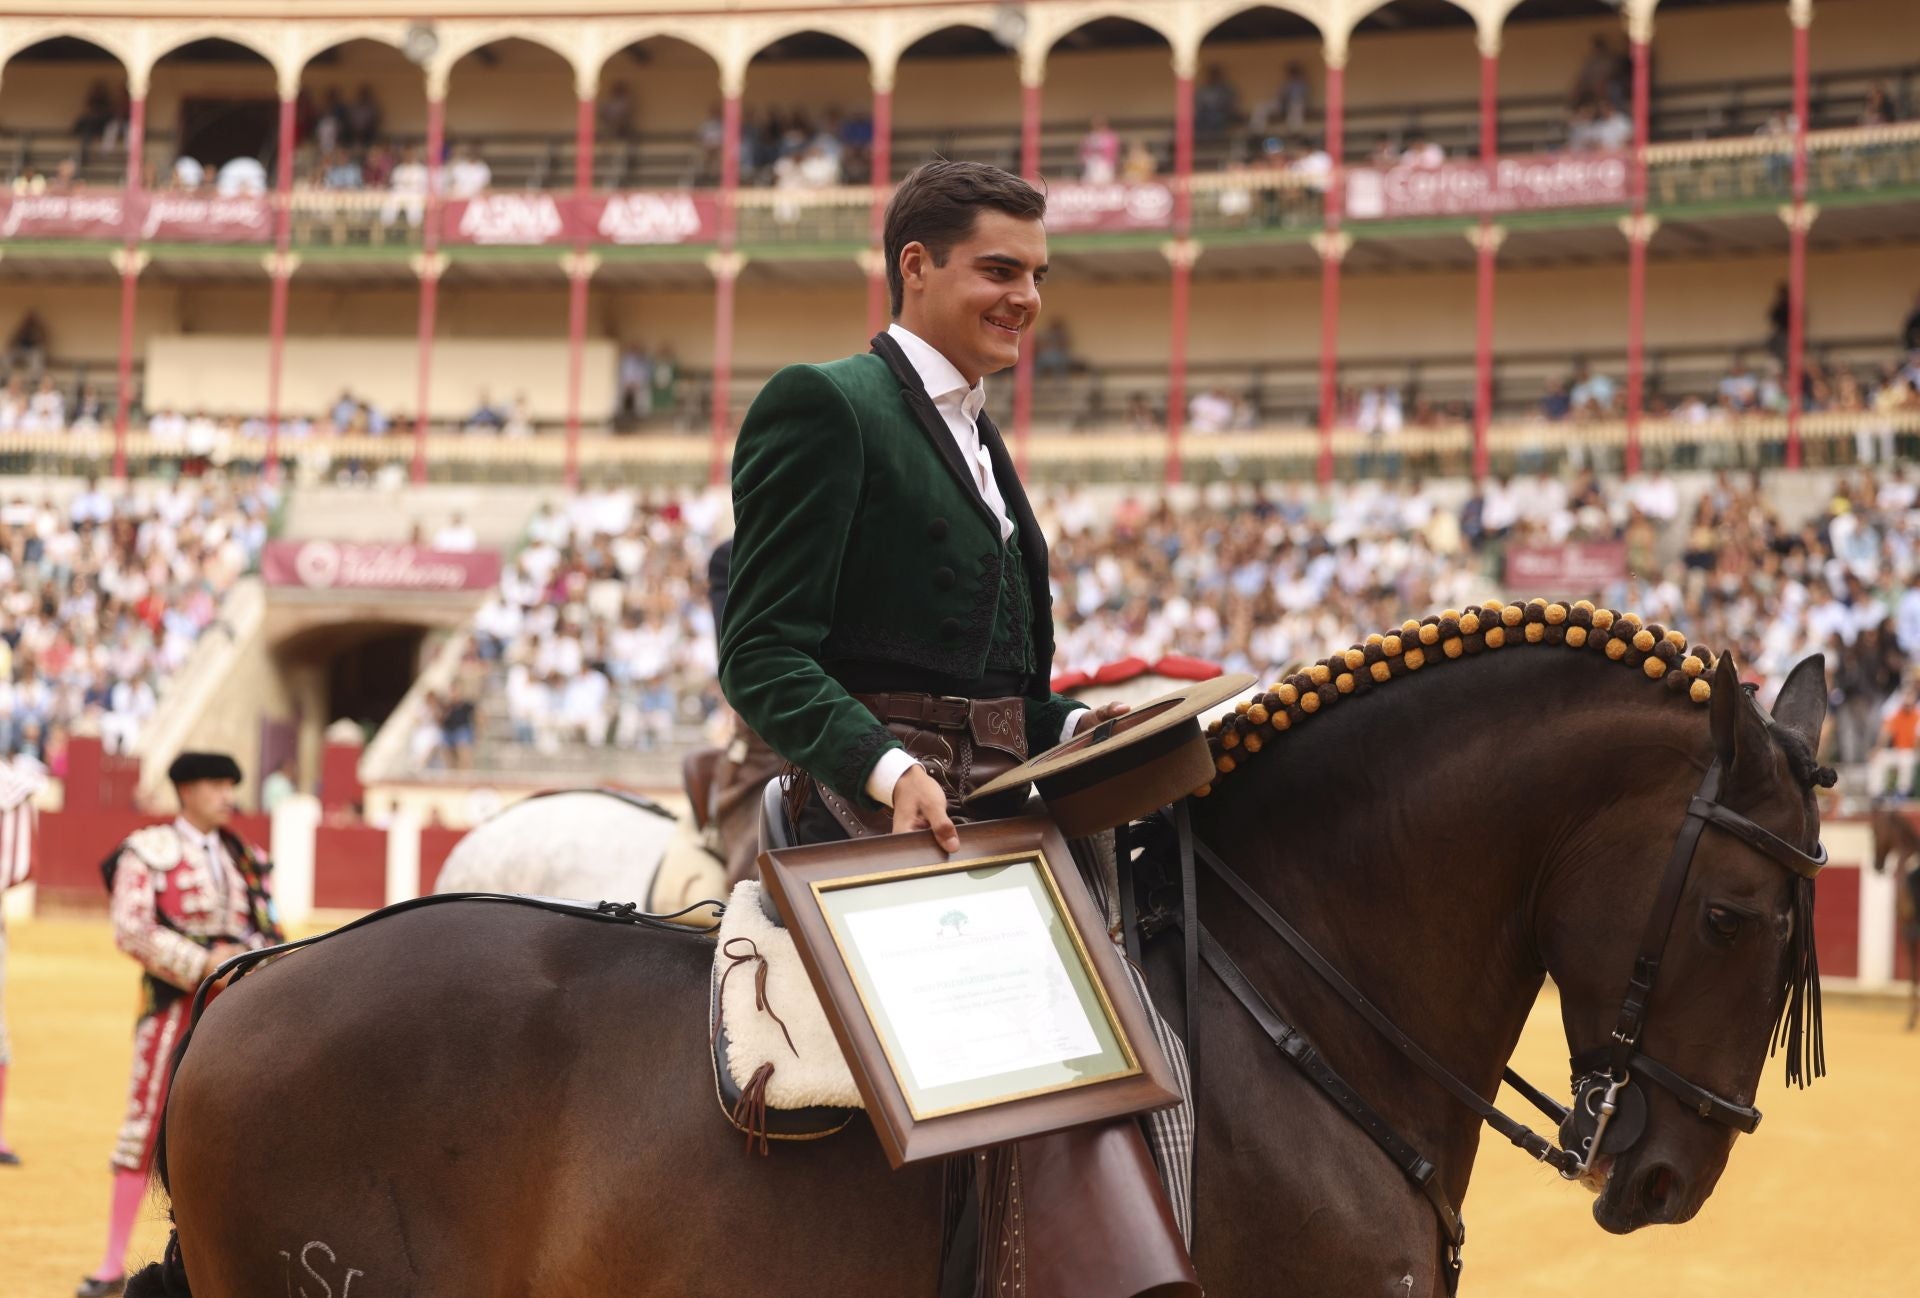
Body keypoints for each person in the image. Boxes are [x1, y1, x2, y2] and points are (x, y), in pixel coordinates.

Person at [718, 160, 1193, 1298]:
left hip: (998, 803)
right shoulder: (826, 402)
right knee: (1046, 1052)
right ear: (916, 266)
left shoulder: (978, 435)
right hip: (885, 811)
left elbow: (991, 687)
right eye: (999, 269)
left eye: (1037, 274)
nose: (1025, 296)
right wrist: (888, 772)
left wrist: (1082, 722)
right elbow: (761, 652)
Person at [78, 751, 282, 1298]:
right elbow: (131, 928)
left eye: (230, 785)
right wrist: (205, 966)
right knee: (146, 1124)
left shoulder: (247, 857)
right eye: (217, 784)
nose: (228, 796)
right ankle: (111, 1262)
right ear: (186, 790)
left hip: (241, 1008)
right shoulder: (147, 851)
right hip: (174, 1009)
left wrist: (251, 963)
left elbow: (272, 929)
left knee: (244, 1127)